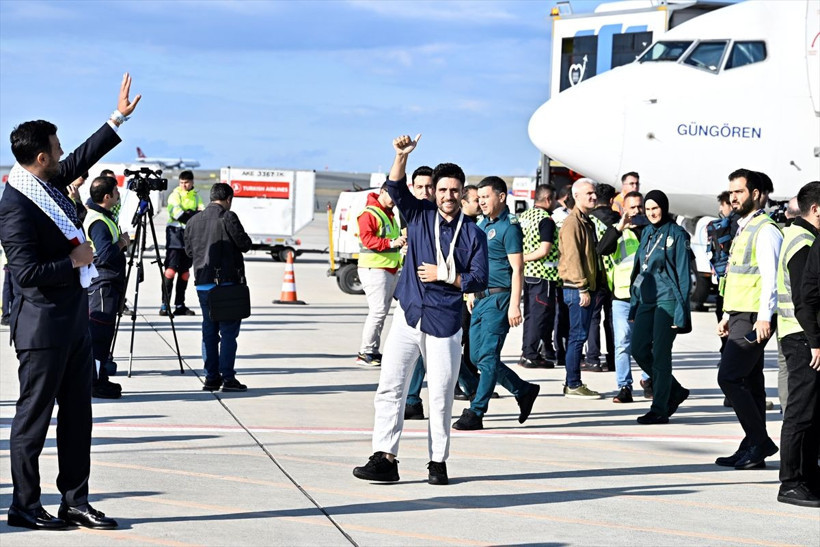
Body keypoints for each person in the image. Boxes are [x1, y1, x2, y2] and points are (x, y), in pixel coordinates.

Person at [0, 72, 139, 531]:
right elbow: (25, 273)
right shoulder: (15, 204)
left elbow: (84, 155)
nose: (63, 155)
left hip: (74, 320)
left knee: (79, 417)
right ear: (41, 158)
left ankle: (75, 501)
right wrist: (74, 260)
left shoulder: (46, 181)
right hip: (42, 328)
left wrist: (117, 117)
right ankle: (24, 505)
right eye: (56, 150)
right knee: (33, 421)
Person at [353, 134, 487, 486]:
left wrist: (447, 275)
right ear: (434, 192)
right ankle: (385, 458)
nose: (447, 196)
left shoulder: (473, 235)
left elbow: (479, 278)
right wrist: (401, 156)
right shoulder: (418, 215)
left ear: (463, 193)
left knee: (440, 395)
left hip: (444, 322)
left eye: (454, 190)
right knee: (390, 387)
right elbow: (396, 187)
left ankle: (437, 462)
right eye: (442, 190)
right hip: (409, 314)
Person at [452, 177, 540, 430]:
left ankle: (476, 411)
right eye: (479, 198)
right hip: (479, 297)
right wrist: (470, 292)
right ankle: (522, 389)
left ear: (501, 197)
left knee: (488, 356)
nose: (481, 202)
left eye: (486, 197)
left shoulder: (508, 227)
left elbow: (518, 268)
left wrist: (515, 304)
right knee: (475, 356)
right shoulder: (481, 224)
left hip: (499, 298)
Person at [716, 169, 783, 469]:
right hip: (741, 313)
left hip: (755, 316)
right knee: (752, 381)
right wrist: (727, 314)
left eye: (739, 191)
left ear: (755, 194)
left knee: (729, 377)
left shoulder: (765, 230)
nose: (733, 197)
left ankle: (759, 441)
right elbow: (738, 275)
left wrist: (765, 317)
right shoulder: (744, 227)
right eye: (731, 192)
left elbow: (771, 278)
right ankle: (752, 445)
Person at [628, 190, 692, 423]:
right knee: (638, 349)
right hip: (646, 299)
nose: (651, 213)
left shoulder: (677, 234)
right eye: (648, 209)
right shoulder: (646, 233)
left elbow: (683, 276)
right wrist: (634, 303)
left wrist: (681, 313)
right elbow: (640, 269)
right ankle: (675, 390)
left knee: (661, 355)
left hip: (668, 300)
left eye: (655, 208)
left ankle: (659, 409)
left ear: (664, 208)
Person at [776, 181, 820, 508]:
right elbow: (805, 297)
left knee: (811, 411)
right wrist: (815, 339)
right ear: (816, 209)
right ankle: (791, 482)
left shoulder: (799, 236)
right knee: (801, 413)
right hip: (802, 336)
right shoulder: (803, 242)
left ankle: (808, 477)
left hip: (801, 334)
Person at [184, 183, 253, 392]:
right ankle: (228, 378)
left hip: (203, 283)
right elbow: (244, 244)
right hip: (226, 284)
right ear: (229, 199)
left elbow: (189, 252)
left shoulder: (193, 220)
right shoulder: (228, 217)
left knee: (209, 331)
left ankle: (211, 378)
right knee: (228, 332)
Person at [597, 191, 647, 402]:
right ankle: (624, 386)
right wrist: (619, 228)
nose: (636, 211)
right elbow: (601, 249)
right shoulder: (617, 231)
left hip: (646, 297)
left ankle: (649, 380)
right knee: (622, 344)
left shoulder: (650, 230)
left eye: (639, 207)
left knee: (648, 342)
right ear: (623, 209)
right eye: (632, 207)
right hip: (622, 296)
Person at [84, 176, 130, 400]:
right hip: (102, 285)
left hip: (106, 283)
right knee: (99, 336)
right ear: (107, 196)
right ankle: (94, 382)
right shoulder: (99, 222)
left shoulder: (103, 216)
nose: (118, 194)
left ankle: (99, 377)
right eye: (116, 190)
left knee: (103, 335)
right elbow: (105, 254)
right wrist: (122, 242)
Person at [557, 179, 602, 399]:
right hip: (577, 288)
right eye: (588, 193)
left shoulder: (585, 221)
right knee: (577, 336)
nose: (594, 196)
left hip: (582, 287)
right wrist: (583, 287)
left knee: (578, 335)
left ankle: (573, 382)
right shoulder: (573, 223)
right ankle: (573, 383)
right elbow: (573, 258)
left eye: (594, 193)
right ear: (576, 196)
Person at [355, 182, 406, 367]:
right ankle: (366, 352)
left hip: (388, 268)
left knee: (382, 312)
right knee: (378, 312)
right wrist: (392, 243)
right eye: (391, 196)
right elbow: (367, 239)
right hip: (374, 268)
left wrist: (400, 247)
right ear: (382, 192)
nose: (394, 201)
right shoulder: (370, 213)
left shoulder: (389, 214)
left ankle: (372, 351)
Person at [404, 166, 435, 419]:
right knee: (421, 349)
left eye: (429, 186)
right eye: (419, 187)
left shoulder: (443, 216)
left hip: (441, 294)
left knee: (429, 350)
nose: (424, 191)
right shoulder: (412, 213)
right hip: (413, 294)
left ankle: (412, 399)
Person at [518, 184, 559, 369]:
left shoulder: (524, 216)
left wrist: (521, 260)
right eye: (554, 199)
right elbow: (544, 250)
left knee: (530, 315)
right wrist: (524, 258)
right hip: (543, 274)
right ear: (548, 199)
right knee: (539, 316)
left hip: (527, 274)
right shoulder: (546, 220)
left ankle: (527, 352)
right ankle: (531, 355)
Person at [586, 183, 620, 372]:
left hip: (597, 276)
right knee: (613, 320)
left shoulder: (589, 220)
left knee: (593, 318)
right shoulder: (620, 220)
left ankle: (593, 359)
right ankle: (614, 359)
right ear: (612, 200)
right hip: (617, 278)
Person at [161, 170, 203, 317]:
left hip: (189, 236)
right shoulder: (175, 195)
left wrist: (189, 214)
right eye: (181, 182)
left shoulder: (196, 196)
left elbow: (202, 213)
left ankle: (180, 305)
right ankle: (165, 305)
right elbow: (177, 213)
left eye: (186, 183)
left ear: (192, 182)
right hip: (175, 234)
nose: (183, 185)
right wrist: (192, 214)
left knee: (185, 273)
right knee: (170, 271)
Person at [1, 252, 16, 326]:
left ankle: (8, 314)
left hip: (9, 259)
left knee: (9, 286)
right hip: (11, 260)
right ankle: (6, 314)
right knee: (10, 287)